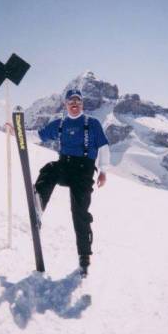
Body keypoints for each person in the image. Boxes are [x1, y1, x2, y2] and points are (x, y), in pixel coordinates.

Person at [33, 88, 110, 276]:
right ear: (65, 104)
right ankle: (38, 204)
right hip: (65, 165)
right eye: (71, 102)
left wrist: (103, 171)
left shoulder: (92, 123)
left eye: (77, 101)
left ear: (82, 104)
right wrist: (16, 132)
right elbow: (38, 136)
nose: (74, 104)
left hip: (83, 171)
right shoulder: (60, 124)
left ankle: (84, 254)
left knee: (79, 211)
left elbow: (103, 146)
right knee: (49, 170)